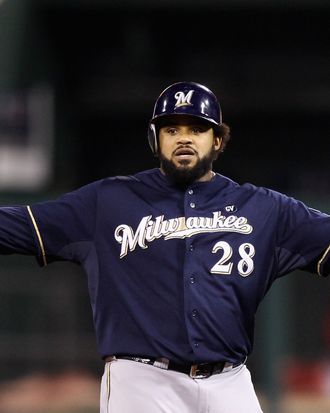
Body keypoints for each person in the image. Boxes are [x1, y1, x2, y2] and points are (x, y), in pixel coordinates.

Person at [0, 81, 329, 413]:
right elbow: (20, 225)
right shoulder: (108, 202)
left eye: (197, 129)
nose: (184, 137)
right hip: (142, 381)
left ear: (217, 141)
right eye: (172, 129)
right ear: (155, 140)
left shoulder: (263, 209)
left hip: (230, 380)